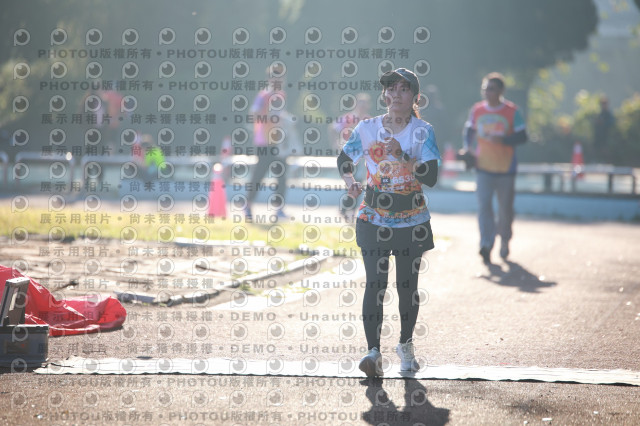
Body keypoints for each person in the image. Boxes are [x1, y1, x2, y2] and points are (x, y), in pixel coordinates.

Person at [337, 68, 440, 377]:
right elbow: (344, 159)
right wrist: (350, 182)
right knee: (375, 284)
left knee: (407, 287)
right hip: (374, 217)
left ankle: (406, 346)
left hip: (412, 220)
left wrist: (403, 155)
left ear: (415, 97)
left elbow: (431, 177)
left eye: (403, 89)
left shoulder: (423, 131)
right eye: (391, 89)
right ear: (384, 95)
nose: (396, 94)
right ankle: (373, 352)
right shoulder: (367, 128)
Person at [460, 72, 527, 264]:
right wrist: (467, 148)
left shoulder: (512, 111)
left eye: (491, 89)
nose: (487, 92)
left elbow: (523, 136)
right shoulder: (477, 110)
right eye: (485, 89)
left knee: (505, 210)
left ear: (500, 91)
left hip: (506, 169)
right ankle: (486, 243)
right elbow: (469, 130)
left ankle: (504, 239)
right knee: (484, 207)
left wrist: (503, 139)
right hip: (483, 167)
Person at [244, 64, 289, 222]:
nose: (278, 80)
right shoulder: (264, 95)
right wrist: (269, 118)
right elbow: (253, 113)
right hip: (264, 142)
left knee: (282, 176)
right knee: (259, 175)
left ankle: (278, 209)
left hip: (278, 143)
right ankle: (247, 206)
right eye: (275, 77)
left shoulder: (281, 95)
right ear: (269, 79)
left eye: (281, 78)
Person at [329, 92, 372, 221]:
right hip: (349, 155)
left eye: (365, 104)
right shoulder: (348, 118)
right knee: (351, 181)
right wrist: (335, 143)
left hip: (362, 156)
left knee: (359, 182)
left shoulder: (368, 120)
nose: (362, 106)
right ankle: (345, 209)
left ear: (368, 105)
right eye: (360, 103)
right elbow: (332, 128)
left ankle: (350, 210)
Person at [593, 95, 615, 159]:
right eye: (602, 104)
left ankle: (607, 160)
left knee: (605, 150)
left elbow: (611, 122)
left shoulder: (609, 114)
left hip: (607, 136)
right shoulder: (600, 114)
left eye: (605, 104)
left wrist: (604, 123)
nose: (603, 105)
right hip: (599, 137)